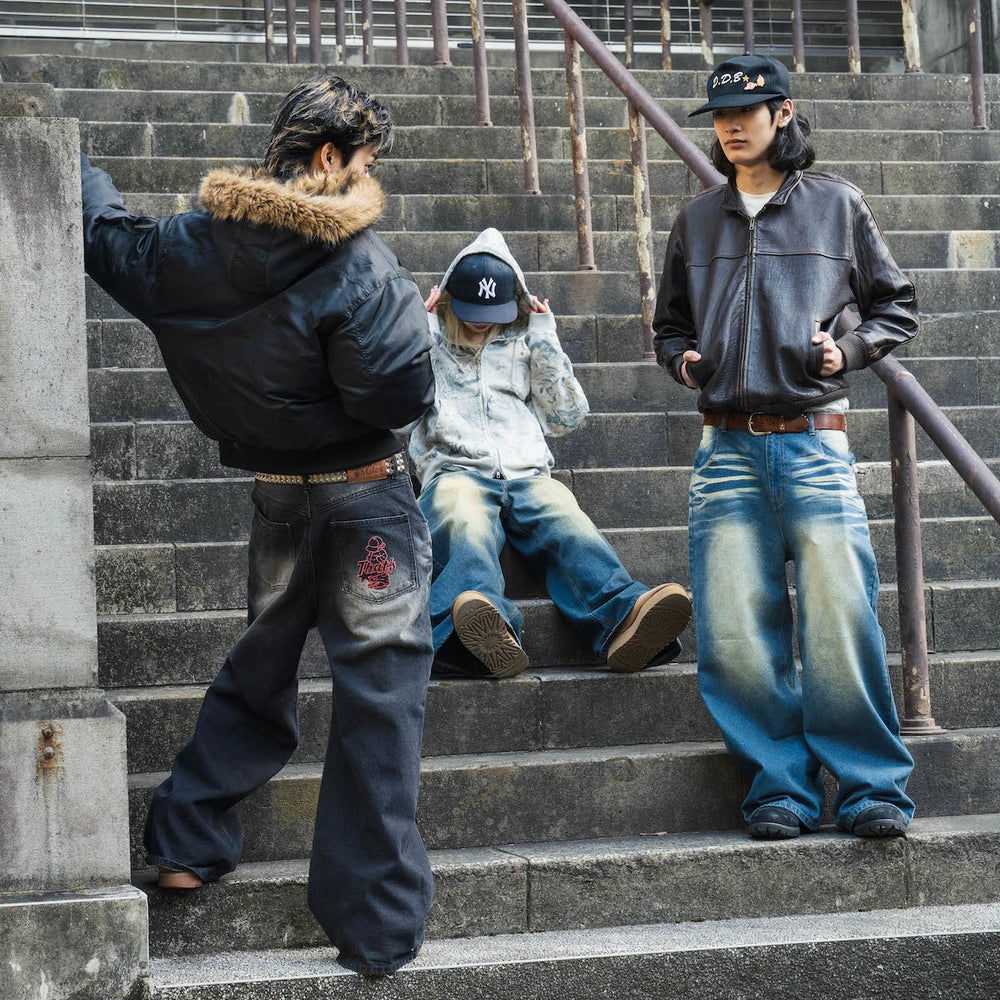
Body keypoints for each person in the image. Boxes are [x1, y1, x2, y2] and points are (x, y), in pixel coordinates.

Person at [81, 76, 436, 976]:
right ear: (329, 156)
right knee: (381, 696)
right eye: (367, 161)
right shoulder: (360, 263)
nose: (370, 178)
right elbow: (396, 391)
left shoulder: (185, 247)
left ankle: (186, 840)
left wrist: (70, 160)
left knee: (261, 665)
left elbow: (103, 236)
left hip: (278, 493)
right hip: (366, 498)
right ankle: (375, 925)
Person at [652, 54, 917, 841]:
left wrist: (850, 351)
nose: (732, 127)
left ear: (784, 113)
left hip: (813, 443)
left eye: (747, 112)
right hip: (726, 449)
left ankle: (871, 788)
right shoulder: (697, 220)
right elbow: (669, 327)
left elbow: (896, 305)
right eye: (721, 117)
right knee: (734, 633)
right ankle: (780, 786)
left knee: (841, 621)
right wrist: (684, 361)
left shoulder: (837, 205)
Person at [404, 228, 692, 679]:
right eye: (472, 312)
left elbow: (566, 417)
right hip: (457, 471)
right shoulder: (429, 347)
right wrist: (416, 340)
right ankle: (472, 631)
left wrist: (545, 339)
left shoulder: (524, 343)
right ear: (448, 301)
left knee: (566, 519)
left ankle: (623, 617)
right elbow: (397, 417)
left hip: (528, 474)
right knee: (463, 518)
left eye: (493, 312)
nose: (482, 323)